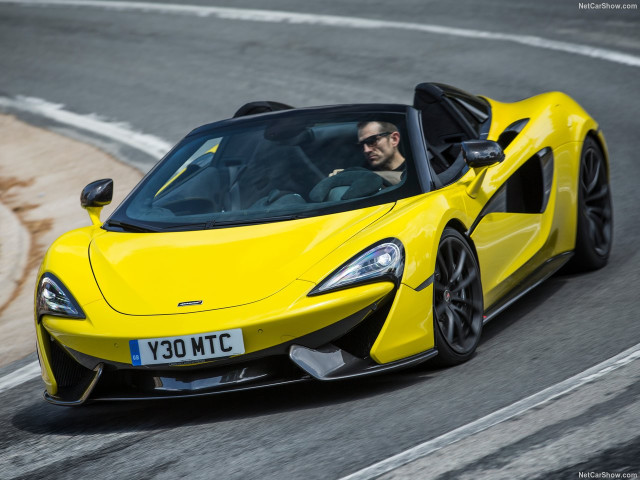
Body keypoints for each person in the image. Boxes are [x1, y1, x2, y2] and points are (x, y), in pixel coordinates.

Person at [330, 121, 406, 185]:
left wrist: (359, 175)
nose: (366, 150)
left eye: (371, 141)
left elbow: (407, 178)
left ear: (394, 139)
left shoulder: (416, 166)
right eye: (362, 145)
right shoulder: (363, 169)